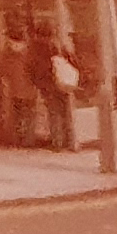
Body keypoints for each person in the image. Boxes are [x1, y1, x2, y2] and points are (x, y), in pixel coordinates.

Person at [26, 19, 78, 152]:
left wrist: (36, 81)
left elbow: (32, 66)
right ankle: (70, 140)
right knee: (65, 111)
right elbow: (72, 60)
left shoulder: (36, 47)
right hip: (63, 81)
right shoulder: (58, 45)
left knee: (54, 112)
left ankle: (58, 142)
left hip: (48, 83)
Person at [0, 19, 36, 148]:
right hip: (29, 86)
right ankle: (29, 140)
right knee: (29, 114)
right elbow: (33, 67)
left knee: (17, 115)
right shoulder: (28, 51)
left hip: (14, 87)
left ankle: (17, 139)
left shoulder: (7, 52)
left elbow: (2, 69)